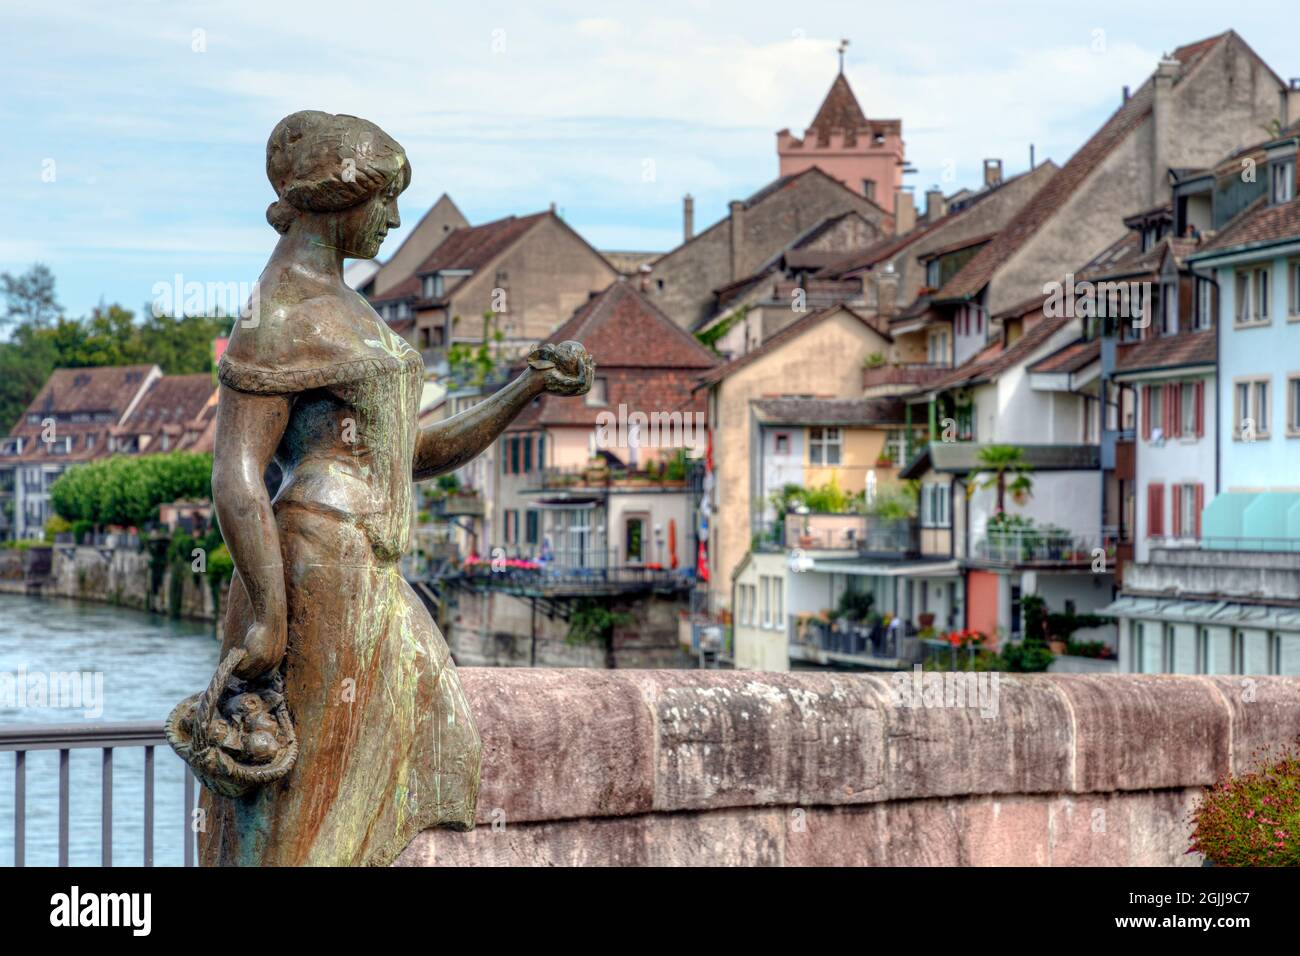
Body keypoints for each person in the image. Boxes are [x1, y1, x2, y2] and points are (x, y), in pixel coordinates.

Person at [199, 111, 593, 866]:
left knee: (373, 775)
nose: (395, 219)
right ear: (338, 197)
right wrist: (268, 619)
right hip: (316, 564)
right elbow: (236, 473)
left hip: (364, 570)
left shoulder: (349, 307)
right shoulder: (279, 309)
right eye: (384, 201)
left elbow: (409, 451)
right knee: (305, 812)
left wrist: (528, 387)